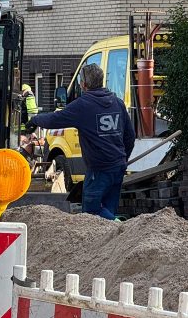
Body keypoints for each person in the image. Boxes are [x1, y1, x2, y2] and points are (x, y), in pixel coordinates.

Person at [27, 64, 135, 219]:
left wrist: (35, 120)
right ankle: (113, 231)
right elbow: (129, 137)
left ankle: (120, 225)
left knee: (91, 215)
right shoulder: (117, 103)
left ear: (84, 84)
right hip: (117, 167)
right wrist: (123, 159)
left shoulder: (83, 105)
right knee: (109, 210)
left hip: (99, 169)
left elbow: (55, 119)